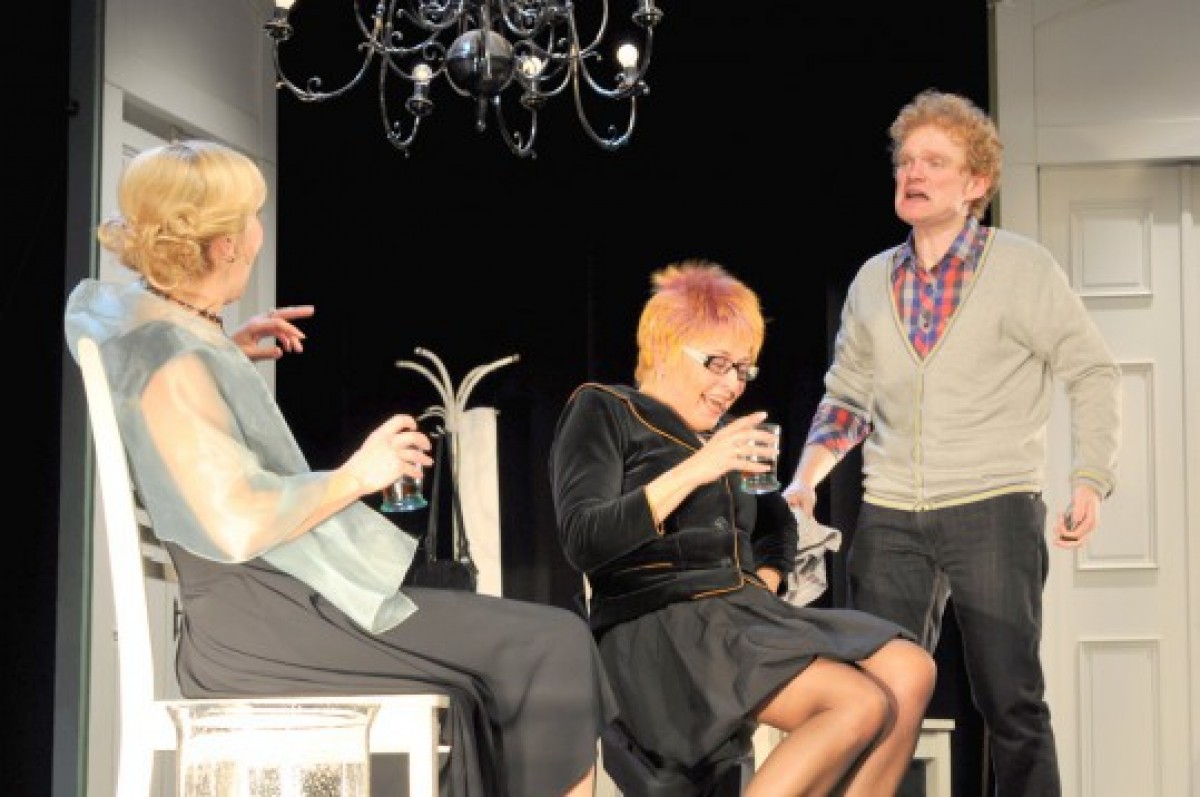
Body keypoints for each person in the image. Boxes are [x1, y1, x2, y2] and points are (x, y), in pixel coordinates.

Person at [63, 139, 617, 797]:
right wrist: (360, 472)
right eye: (252, 218)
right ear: (226, 246)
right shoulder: (175, 363)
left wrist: (221, 349)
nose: (260, 231)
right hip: (265, 625)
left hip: (271, 609)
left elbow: (145, 350)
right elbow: (237, 520)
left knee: (512, 655)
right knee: (554, 645)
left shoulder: (152, 328)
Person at [782, 89, 1122, 796]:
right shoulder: (873, 280)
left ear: (976, 183)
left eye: (934, 161)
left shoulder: (1023, 269)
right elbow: (847, 397)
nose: (913, 173)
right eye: (906, 160)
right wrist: (807, 476)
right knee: (878, 696)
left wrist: (1090, 476)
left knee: (1010, 700)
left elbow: (1091, 369)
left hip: (992, 505)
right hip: (892, 514)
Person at [548, 260, 937, 796]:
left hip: (741, 614)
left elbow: (775, 528)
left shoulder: (732, 435)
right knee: (858, 703)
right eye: (718, 364)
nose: (732, 384)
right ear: (664, 348)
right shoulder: (606, 409)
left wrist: (766, 581)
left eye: (743, 370)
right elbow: (583, 538)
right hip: (660, 622)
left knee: (911, 670)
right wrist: (699, 468)